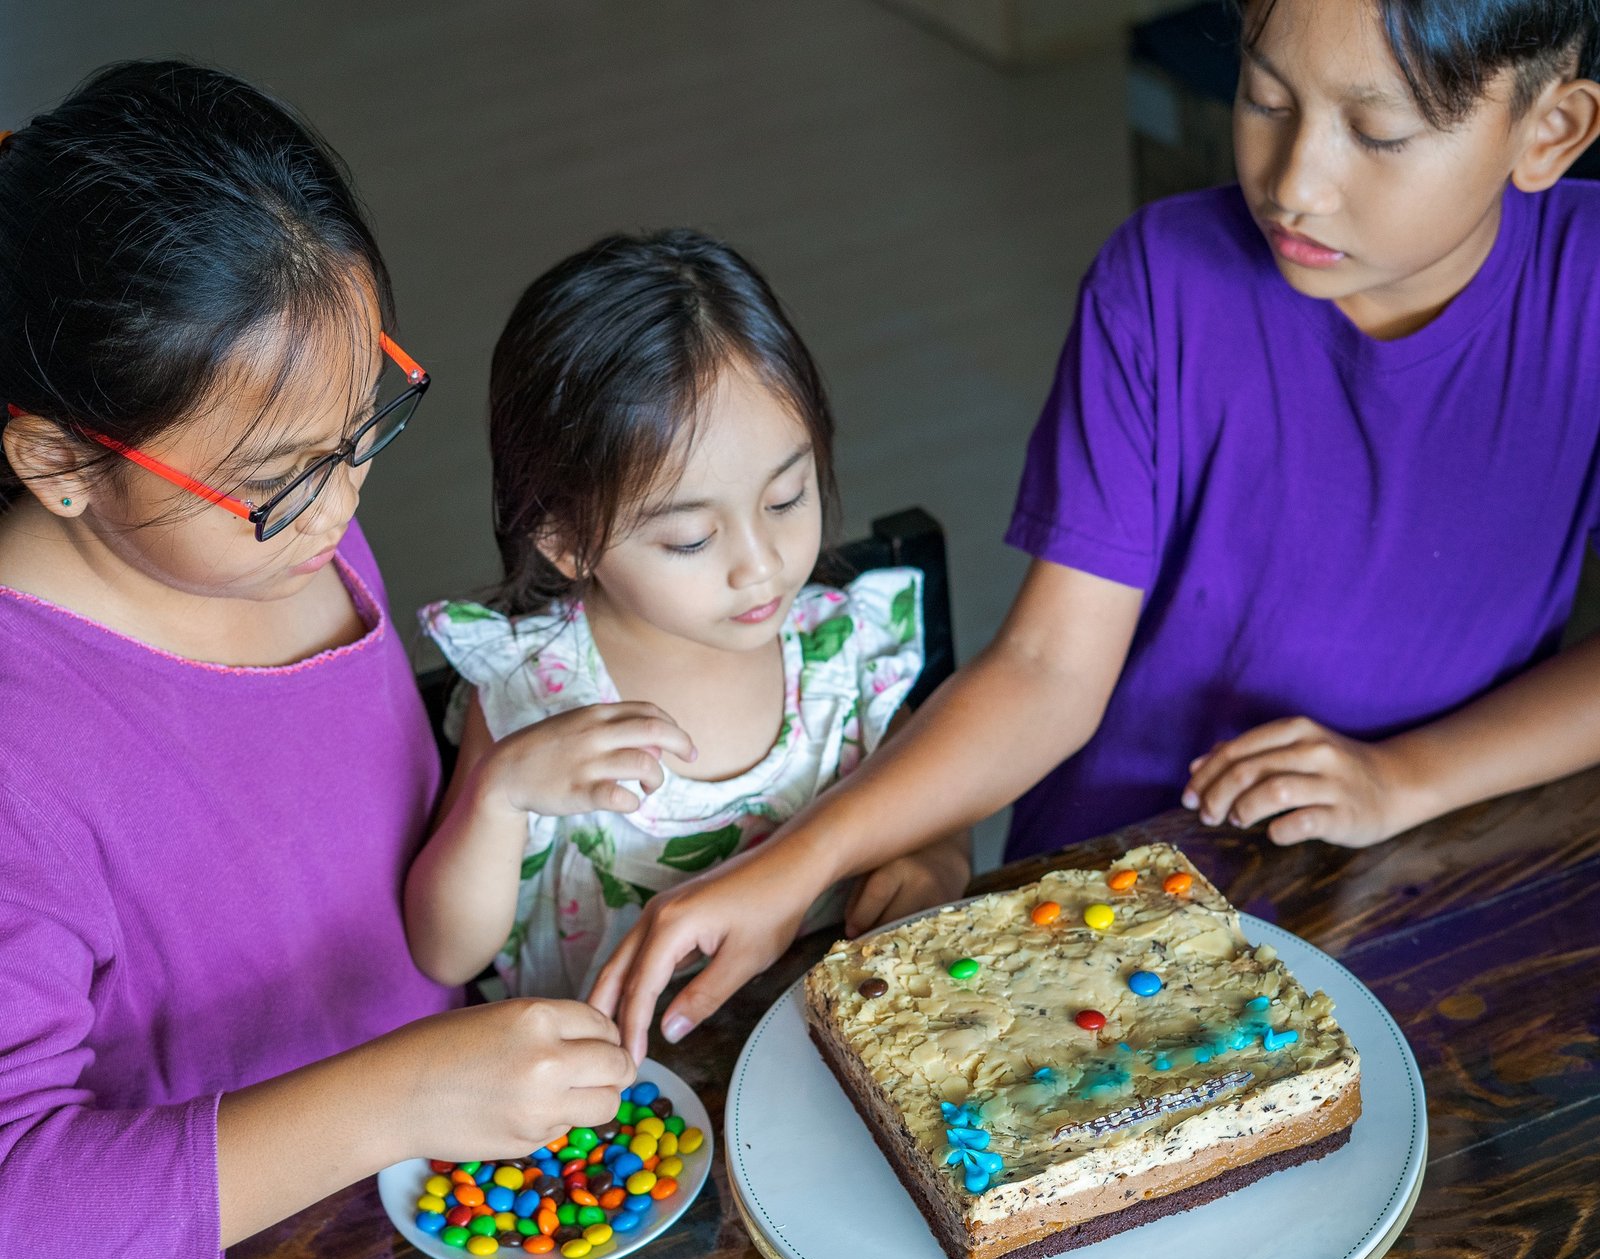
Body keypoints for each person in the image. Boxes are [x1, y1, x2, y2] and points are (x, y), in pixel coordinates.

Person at [590, 0, 1600, 1063]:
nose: (1294, 180)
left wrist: (1404, 778)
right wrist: (792, 865)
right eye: (1263, 97)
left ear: (1549, 132)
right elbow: (1043, 668)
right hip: (1105, 879)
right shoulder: (1161, 281)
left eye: (1377, 133)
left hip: (1436, 865)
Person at [0, 61, 634, 1259]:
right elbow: (23, 1214)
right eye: (284, 476)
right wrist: (398, 1096)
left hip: (441, 1199)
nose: (343, 503)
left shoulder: (284, 541)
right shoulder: (27, 747)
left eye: (363, 430)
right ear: (59, 462)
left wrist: (491, 792)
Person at [405, 230, 970, 999]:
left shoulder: (844, 648)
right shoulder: (536, 692)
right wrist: (498, 798)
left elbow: (941, 789)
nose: (760, 563)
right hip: (638, 1099)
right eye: (692, 538)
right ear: (569, 542)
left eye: (786, 498)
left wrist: (940, 854)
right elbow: (448, 956)